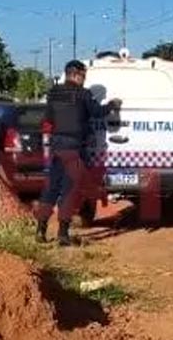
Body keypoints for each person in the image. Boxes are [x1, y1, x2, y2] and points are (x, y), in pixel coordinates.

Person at [35, 60, 120, 246]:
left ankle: (40, 231)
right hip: (74, 148)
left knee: (50, 189)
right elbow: (97, 112)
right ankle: (63, 235)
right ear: (76, 74)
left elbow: (48, 119)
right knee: (68, 191)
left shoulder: (53, 93)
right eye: (83, 76)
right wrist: (112, 105)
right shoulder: (83, 94)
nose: (84, 79)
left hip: (57, 148)